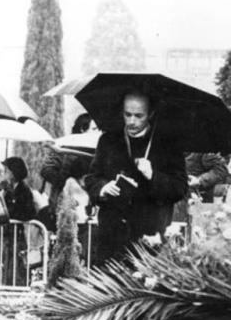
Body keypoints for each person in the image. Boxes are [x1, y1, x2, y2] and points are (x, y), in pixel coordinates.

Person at [84, 90, 187, 266]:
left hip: (150, 238)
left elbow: (180, 188)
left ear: (151, 114)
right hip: (112, 236)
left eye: (139, 116)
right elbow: (92, 178)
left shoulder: (168, 145)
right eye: (127, 114)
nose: (132, 121)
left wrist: (153, 175)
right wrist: (103, 187)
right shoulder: (108, 140)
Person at [40, 112, 98, 221]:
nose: (97, 133)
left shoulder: (96, 150)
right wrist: (66, 177)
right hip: (64, 203)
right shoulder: (62, 147)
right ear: (83, 129)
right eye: (94, 129)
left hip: (88, 206)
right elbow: (46, 170)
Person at [1, 156, 36, 221]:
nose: (4, 173)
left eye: (6, 171)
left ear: (13, 173)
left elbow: (28, 213)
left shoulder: (24, 191)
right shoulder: (7, 189)